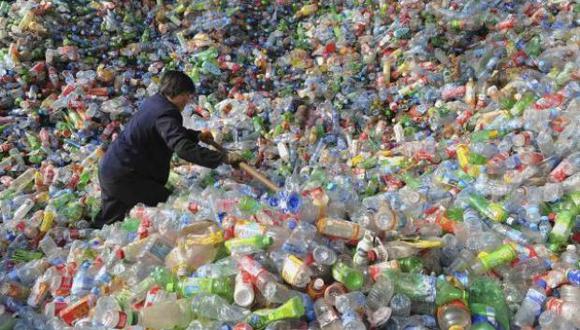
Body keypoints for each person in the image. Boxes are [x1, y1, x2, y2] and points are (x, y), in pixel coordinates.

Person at [93, 71, 242, 229]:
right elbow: (183, 149)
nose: (187, 100)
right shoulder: (166, 113)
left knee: (109, 221)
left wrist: (196, 135)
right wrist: (222, 158)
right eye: (186, 95)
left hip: (111, 168)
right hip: (127, 176)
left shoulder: (155, 102)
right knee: (169, 205)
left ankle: (92, 241)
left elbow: (164, 132)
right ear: (176, 92)